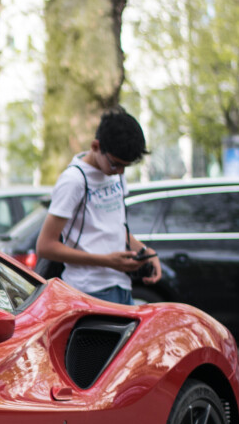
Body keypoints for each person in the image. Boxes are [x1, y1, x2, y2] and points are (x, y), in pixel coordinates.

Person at [36, 109, 161, 304]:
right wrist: (107, 261)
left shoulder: (116, 173)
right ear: (96, 146)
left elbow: (114, 229)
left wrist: (146, 252)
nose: (119, 171)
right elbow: (45, 246)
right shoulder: (74, 180)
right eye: (115, 164)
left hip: (122, 286)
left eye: (125, 167)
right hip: (88, 291)